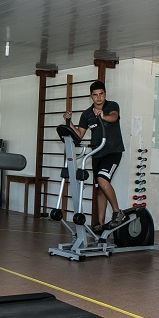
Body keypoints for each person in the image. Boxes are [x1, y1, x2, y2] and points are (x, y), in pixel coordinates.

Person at [63, 80, 125, 232]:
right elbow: (79, 135)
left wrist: (103, 116)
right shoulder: (87, 114)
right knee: (99, 189)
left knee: (102, 180)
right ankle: (100, 223)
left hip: (112, 151)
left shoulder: (112, 106)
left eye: (101, 94)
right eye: (95, 95)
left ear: (105, 94)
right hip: (97, 154)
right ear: (91, 96)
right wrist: (68, 121)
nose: (99, 98)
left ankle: (118, 212)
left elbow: (114, 117)